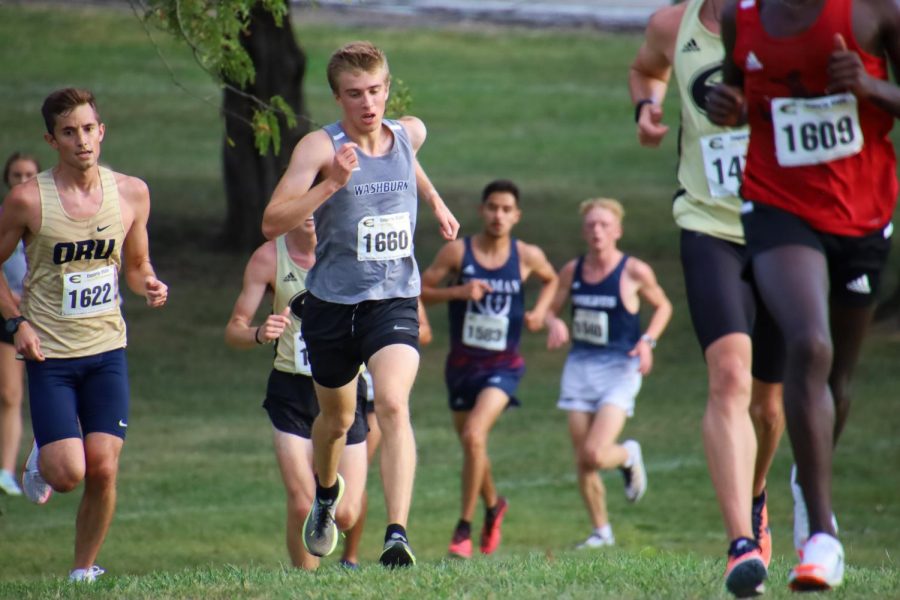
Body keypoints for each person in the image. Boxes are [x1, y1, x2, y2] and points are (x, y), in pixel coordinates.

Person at [707, 0, 900, 591]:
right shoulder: (743, 16)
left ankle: (805, 476)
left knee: (838, 376)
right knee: (808, 345)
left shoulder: (876, 11)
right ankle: (822, 535)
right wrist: (729, 106)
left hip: (862, 214)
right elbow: (740, 94)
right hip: (776, 204)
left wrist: (870, 84)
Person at [261, 41, 459, 568]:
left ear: (387, 89)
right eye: (354, 94)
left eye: (375, 91)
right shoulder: (319, 149)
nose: (367, 103)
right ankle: (326, 497)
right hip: (331, 304)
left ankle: (397, 535)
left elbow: (408, 160)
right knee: (336, 420)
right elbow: (272, 221)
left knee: (393, 403)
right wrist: (331, 185)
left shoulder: (408, 132)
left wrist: (436, 201)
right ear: (337, 97)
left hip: (393, 298)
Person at [629, 1, 786, 595]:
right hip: (707, 226)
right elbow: (646, 71)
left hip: (784, 228)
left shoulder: (790, 20)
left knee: (769, 408)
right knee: (727, 378)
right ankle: (740, 543)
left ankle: (756, 491)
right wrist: (647, 108)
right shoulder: (674, 24)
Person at [0, 88, 168, 582]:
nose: (82, 140)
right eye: (69, 132)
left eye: (88, 129)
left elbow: (136, 266)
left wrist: (150, 284)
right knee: (68, 473)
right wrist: (16, 323)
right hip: (50, 356)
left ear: (102, 131)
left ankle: (82, 570)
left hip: (107, 351)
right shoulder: (28, 200)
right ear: (51, 140)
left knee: (105, 466)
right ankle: (44, 454)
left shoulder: (132, 193)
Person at [420, 179, 558, 559]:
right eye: (492, 207)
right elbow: (419, 292)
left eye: (506, 209)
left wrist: (541, 312)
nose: (498, 215)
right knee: (471, 442)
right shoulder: (457, 254)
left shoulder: (526, 254)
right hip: (462, 366)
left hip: (504, 366)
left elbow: (553, 279)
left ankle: (462, 529)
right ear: (482, 210)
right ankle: (494, 505)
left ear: (517, 216)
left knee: (475, 436)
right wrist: (458, 292)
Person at [224, 217, 368, 570]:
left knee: (346, 514)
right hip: (292, 389)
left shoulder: (353, 251)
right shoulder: (269, 258)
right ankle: (305, 583)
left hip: (345, 389)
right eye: (301, 199)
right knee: (303, 504)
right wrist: (259, 332)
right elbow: (234, 329)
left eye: (318, 201)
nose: (310, 211)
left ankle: (330, 491)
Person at [545, 198, 672, 551]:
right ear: (584, 231)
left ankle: (629, 454)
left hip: (620, 369)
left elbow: (663, 305)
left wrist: (648, 340)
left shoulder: (634, 271)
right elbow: (550, 309)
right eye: (591, 225)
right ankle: (602, 532)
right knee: (582, 458)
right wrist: (554, 323)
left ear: (617, 230)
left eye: (604, 225)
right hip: (580, 368)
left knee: (596, 454)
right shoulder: (573, 270)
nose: (597, 231)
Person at [339, 300, 432, 568]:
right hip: (341, 387)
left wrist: (386, 339)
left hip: (372, 395)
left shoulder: (397, 285)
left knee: (358, 469)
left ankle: (350, 556)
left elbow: (423, 330)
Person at [0, 152, 40, 496]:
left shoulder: (50, 216)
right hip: (8, 314)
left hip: (46, 315)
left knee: (49, 386)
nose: (23, 179)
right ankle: (6, 471)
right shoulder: (5, 219)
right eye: (16, 174)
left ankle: (44, 456)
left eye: (30, 173)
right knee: (9, 393)